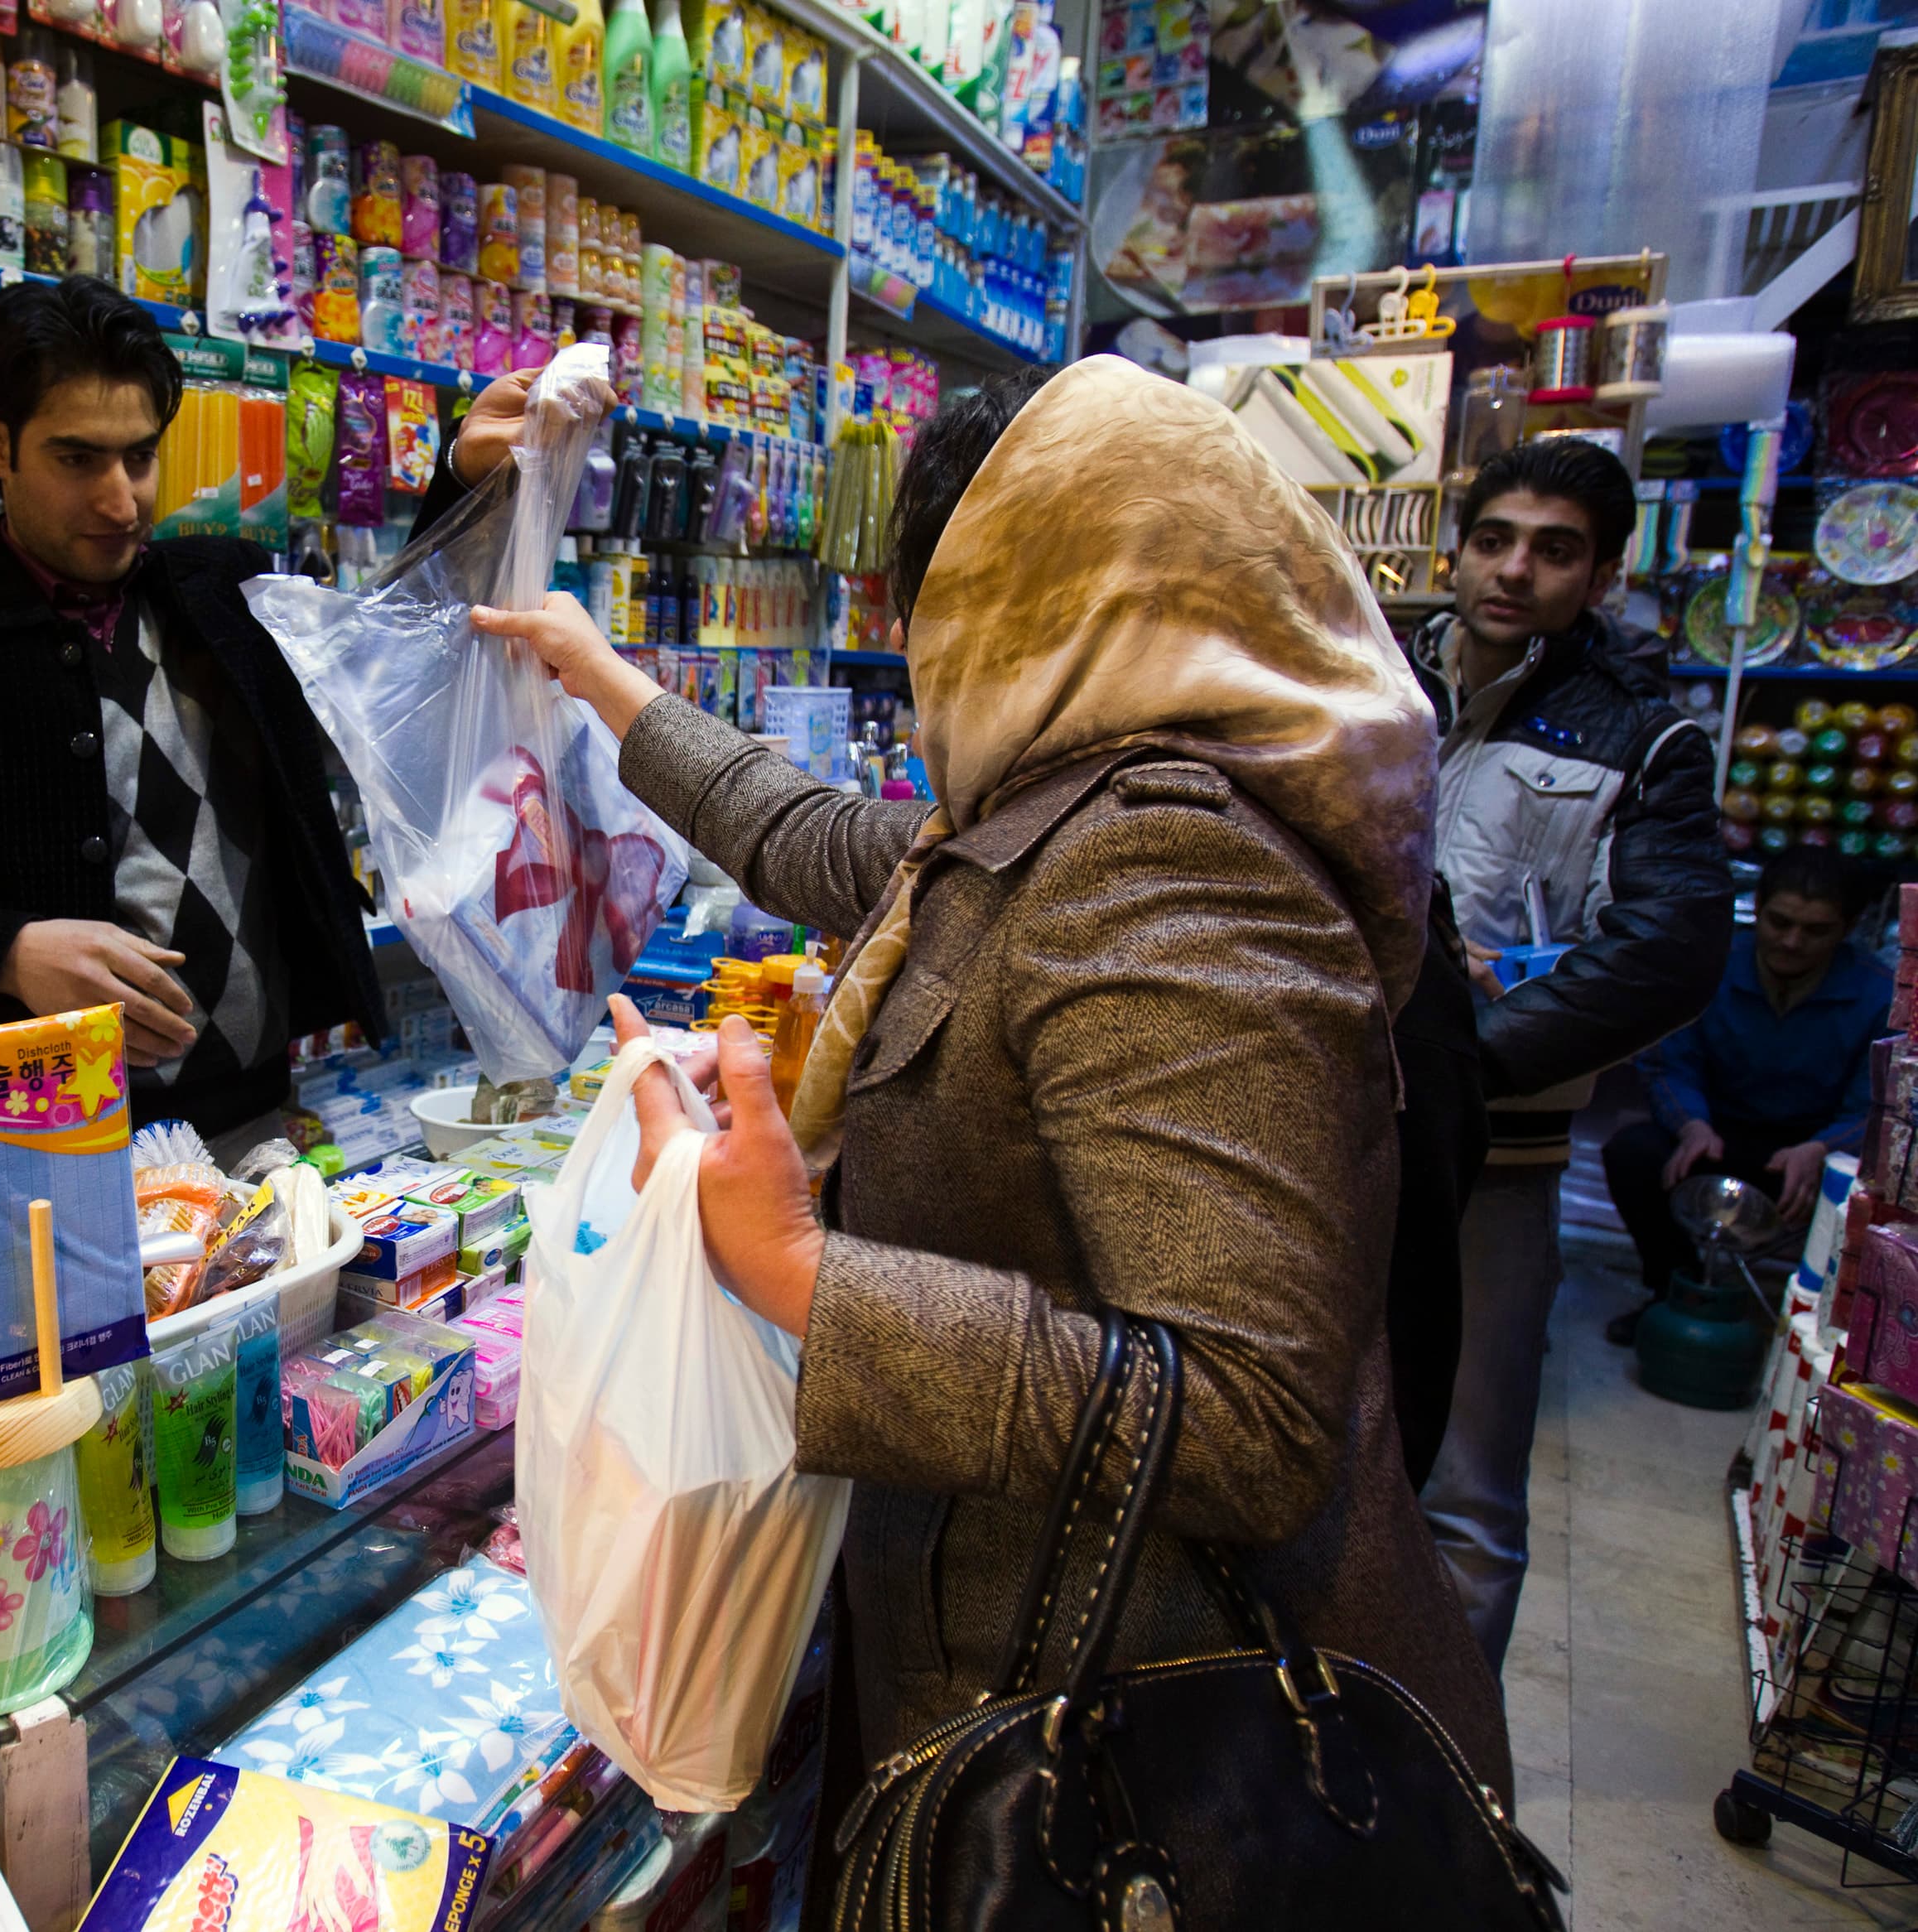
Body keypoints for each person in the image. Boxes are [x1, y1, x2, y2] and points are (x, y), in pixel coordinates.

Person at [467, 356, 1513, 1814]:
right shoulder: (1072, 806)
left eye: (926, 611)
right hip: (1063, 1696)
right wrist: (614, 686)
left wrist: (799, 1271)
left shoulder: (1170, 855)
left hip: (1165, 1767)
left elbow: (1249, 1413)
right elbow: (842, 843)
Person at [0, 276, 400, 1153]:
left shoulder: (228, 594)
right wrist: (8, 952)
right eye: (76, 459)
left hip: (253, 1121)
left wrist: (462, 477)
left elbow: (399, 656)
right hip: (36, 1150)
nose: (122, 500)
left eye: (139, 455)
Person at [1407, 438, 1732, 1673]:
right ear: (1458, 543)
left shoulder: (1646, 738)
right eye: (1495, 538)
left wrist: (1464, 1057)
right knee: (1316, 1445)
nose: (1514, 570)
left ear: (1602, 573)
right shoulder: (1370, 685)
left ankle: (1451, 1786)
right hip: (1337, 1127)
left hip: (1496, 1151)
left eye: (1555, 550)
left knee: (1471, 1493)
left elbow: (1671, 948)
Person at [1602, 847, 1891, 1337]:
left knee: (1865, 1198)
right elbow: (1670, 1062)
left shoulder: (1877, 996)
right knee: (1632, 1153)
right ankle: (1679, 1288)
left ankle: (1810, 1329)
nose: (1792, 941)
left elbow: (1877, 1106)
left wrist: (1822, 1149)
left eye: (1816, 930)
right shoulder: (1710, 967)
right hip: (1716, 1134)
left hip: (1807, 1152)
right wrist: (1691, 1124)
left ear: (1848, 928)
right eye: (1779, 922)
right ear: (1756, 907)